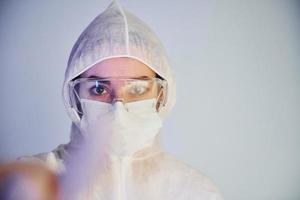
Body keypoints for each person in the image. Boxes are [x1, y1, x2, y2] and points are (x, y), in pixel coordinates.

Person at [21, 1, 224, 199]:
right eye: (99, 88)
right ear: (74, 99)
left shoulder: (195, 191)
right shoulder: (35, 183)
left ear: (162, 96)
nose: (118, 107)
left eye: (137, 88)